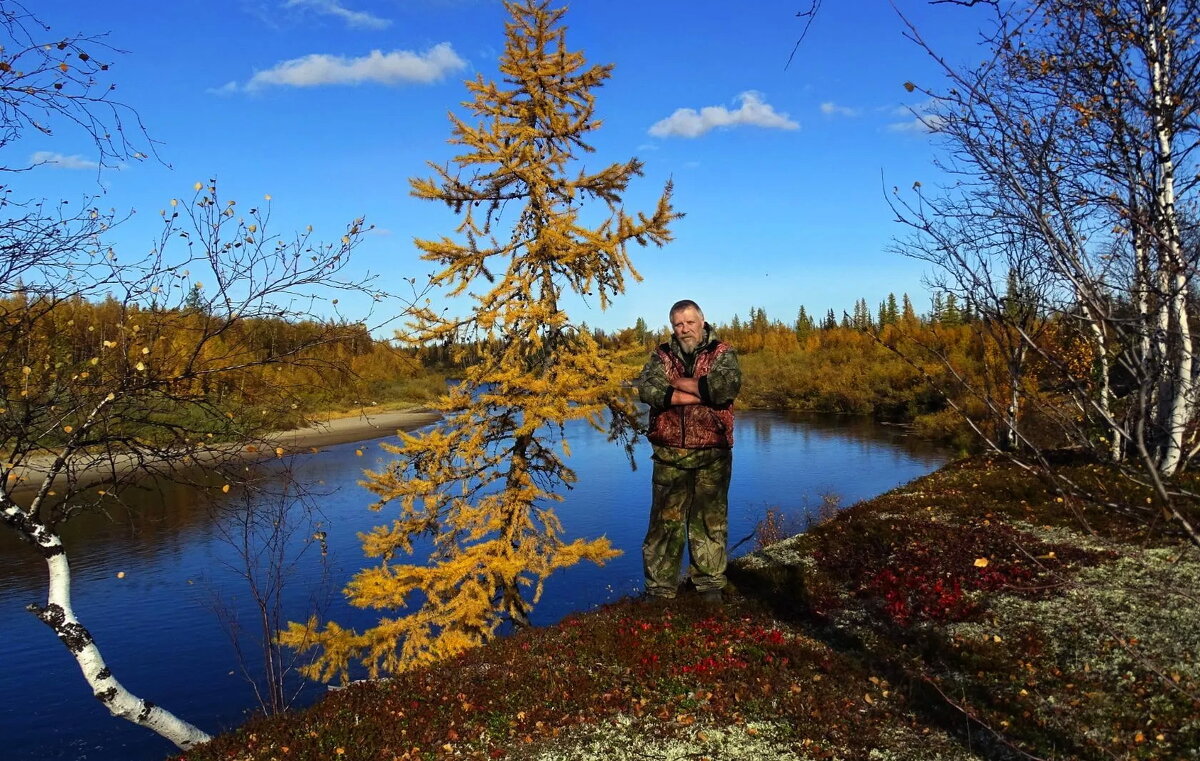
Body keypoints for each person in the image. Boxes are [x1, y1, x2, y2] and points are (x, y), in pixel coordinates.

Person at [636, 299, 741, 602]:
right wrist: (700, 391)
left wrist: (677, 387)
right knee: (664, 525)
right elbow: (647, 390)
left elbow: (724, 388)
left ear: (702, 321)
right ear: (672, 327)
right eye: (678, 324)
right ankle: (659, 590)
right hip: (669, 456)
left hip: (713, 454)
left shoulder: (723, 353)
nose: (684, 329)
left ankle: (709, 585)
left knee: (710, 521)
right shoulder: (661, 355)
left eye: (690, 322)